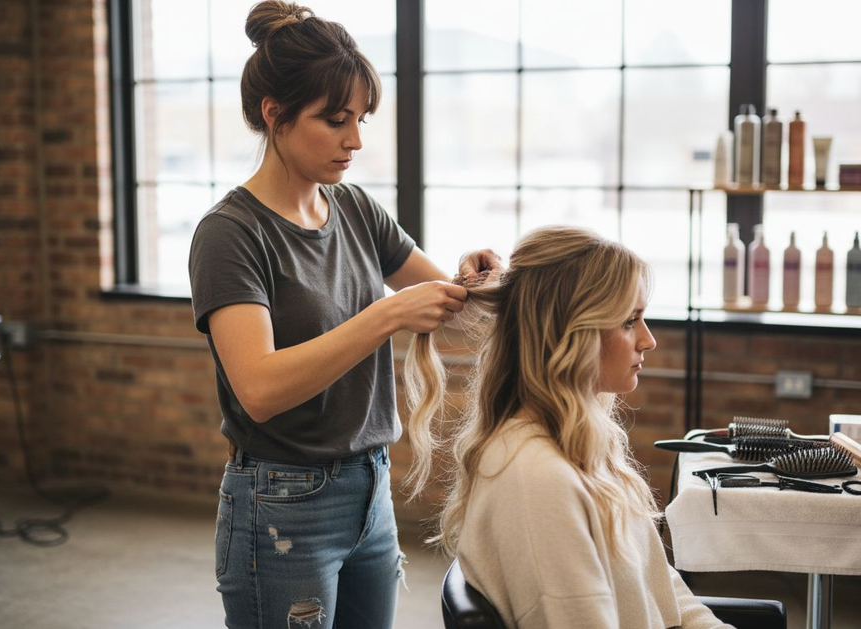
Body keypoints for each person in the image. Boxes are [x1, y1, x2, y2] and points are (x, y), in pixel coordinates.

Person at [187, 2, 500, 627]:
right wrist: (386, 316)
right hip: (282, 503)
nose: (354, 140)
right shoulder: (231, 235)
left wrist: (482, 281)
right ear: (274, 115)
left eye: (358, 119)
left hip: (369, 491)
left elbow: (454, 308)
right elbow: (260, 389)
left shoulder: (355, 209)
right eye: (334, 121)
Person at [405, 226, 732, 628]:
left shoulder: (581, 444)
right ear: (571, 335)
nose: (648, 341)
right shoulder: (537, 479)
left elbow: (660, 587)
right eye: (630, 322)